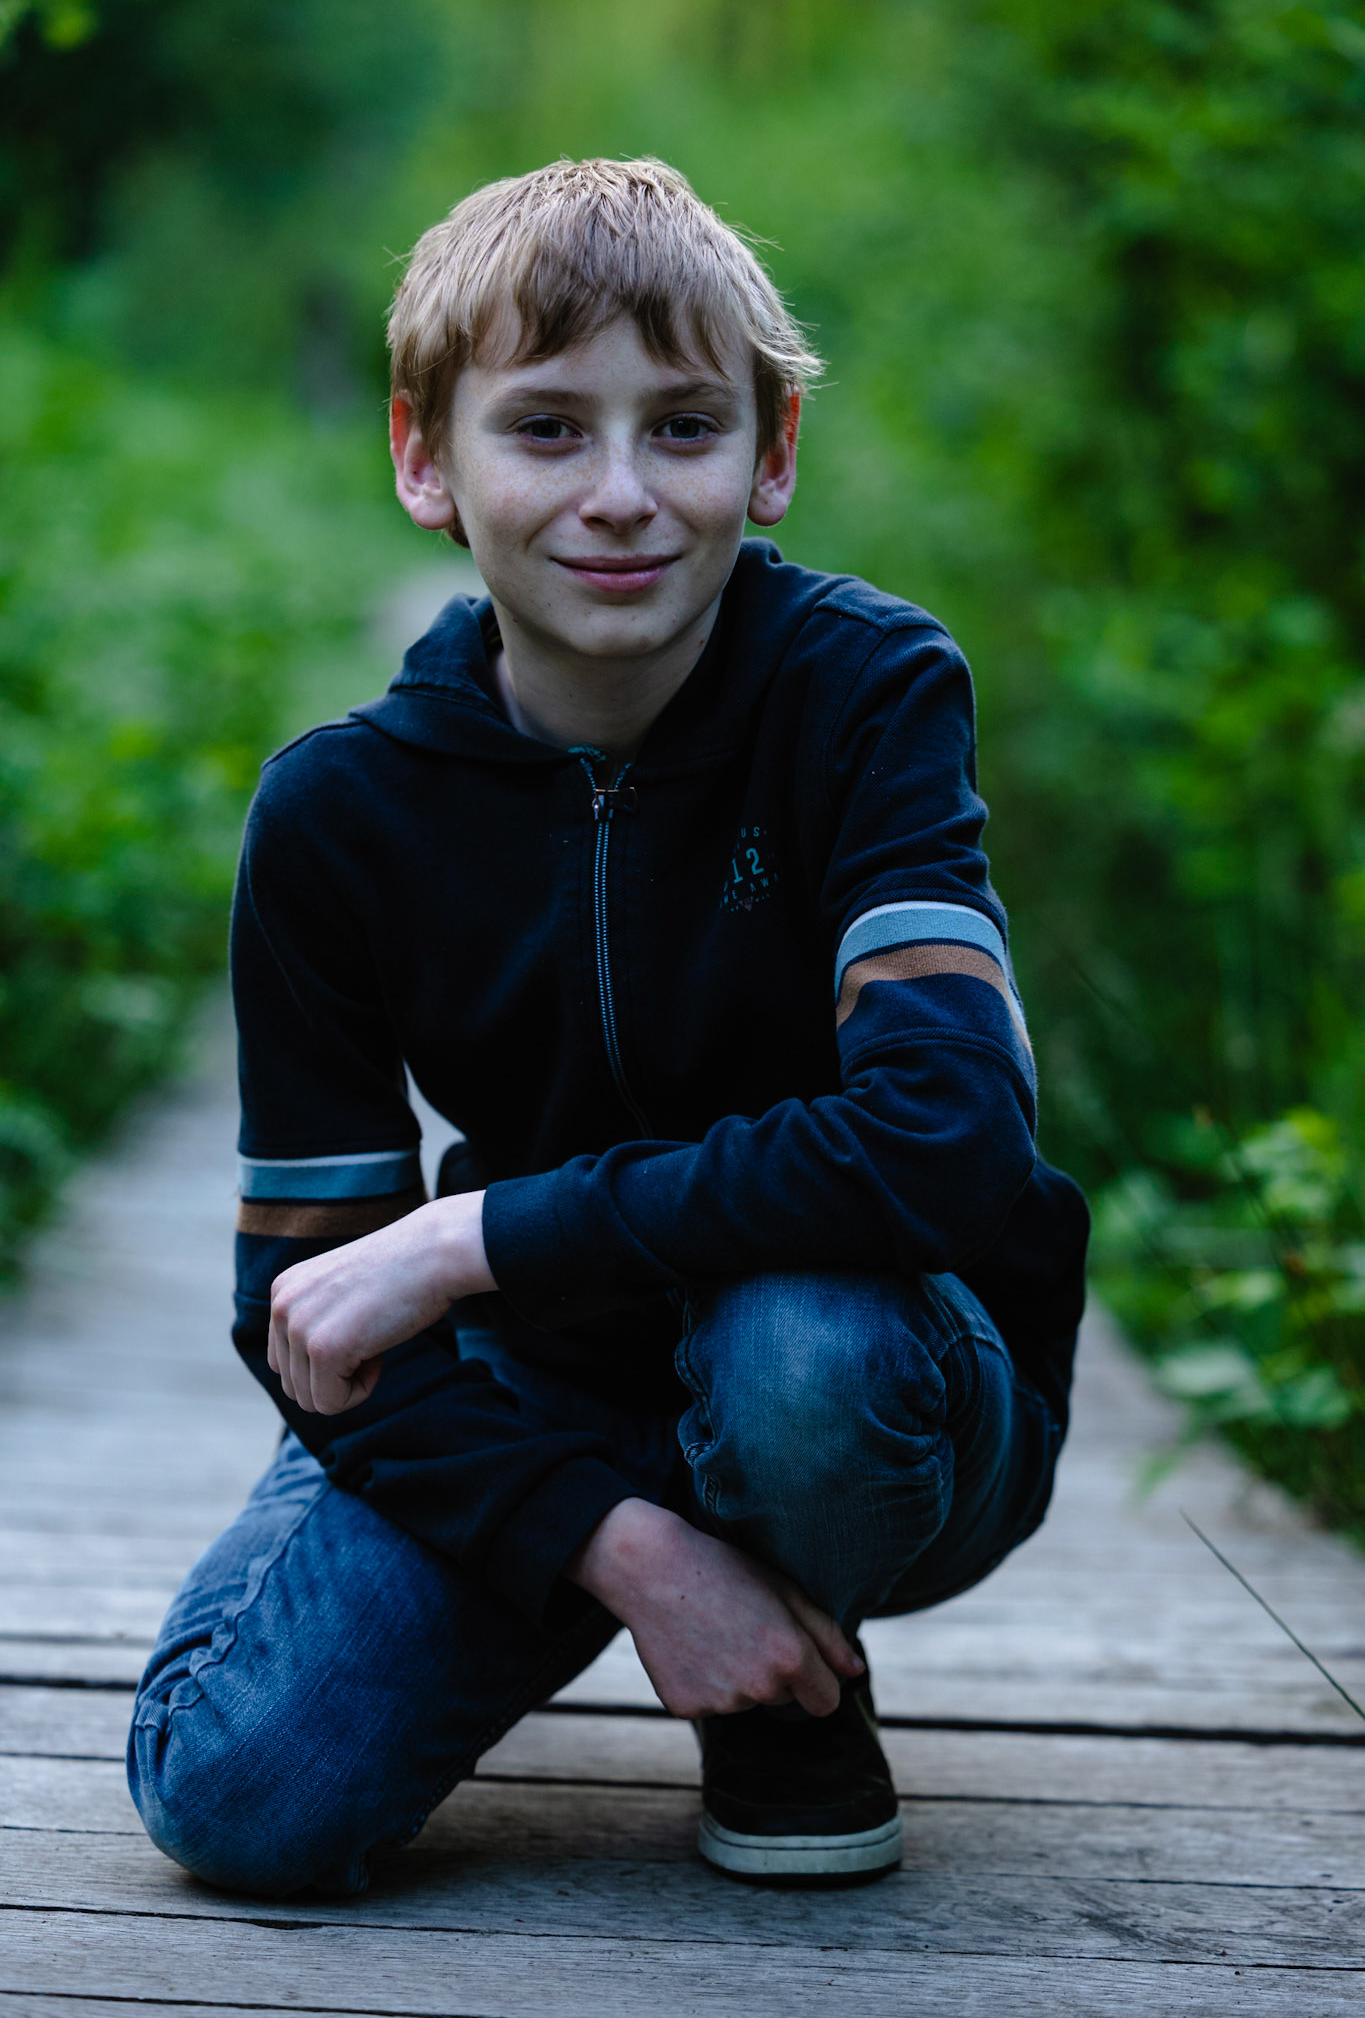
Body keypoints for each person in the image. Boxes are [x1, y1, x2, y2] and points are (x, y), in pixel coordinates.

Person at [128, 156, 1088, 1896]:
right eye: (548, 429)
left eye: (684, 427)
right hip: (547, 1379)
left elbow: (949, 1144)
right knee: (239, 1797)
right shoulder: (340, 815)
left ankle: (789, 1695)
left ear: (770, 455)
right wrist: (621, 1546)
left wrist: (473, 1236)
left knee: (795, 1349)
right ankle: (672, 1581)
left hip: (882, 1388)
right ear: (425, 458)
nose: (624, 497)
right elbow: (311, 1303)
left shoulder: (866, 696)